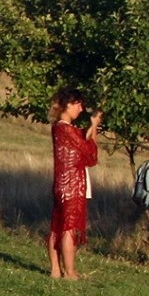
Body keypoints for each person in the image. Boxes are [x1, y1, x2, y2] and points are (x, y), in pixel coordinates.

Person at [49, 87, 100, 279]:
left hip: (60, 184)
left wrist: (90, 128)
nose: (81, 108)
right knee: (69, 228)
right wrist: (94, 128)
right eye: (78, 104)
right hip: (72, 185)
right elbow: (90, 156)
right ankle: (70, 272)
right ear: (69, 105)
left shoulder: (58, 128)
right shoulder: (66, 129)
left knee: (57, 226)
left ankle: (56, 269)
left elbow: (81, 145)